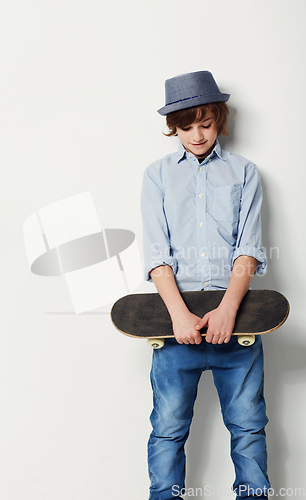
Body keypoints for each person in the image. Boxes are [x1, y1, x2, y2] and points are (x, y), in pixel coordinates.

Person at [141, 71, 270, 500]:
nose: (196, 135)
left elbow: (247, 249)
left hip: (238, 321)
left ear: (219, 119)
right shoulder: (157, 176)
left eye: (205, 123)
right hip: (176, 326)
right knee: (168, 428)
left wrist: (229, 310)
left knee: (249, 428)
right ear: (172, 127)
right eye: (185, 125)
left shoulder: (244, 172)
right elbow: (157, 254)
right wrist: (179, 315)